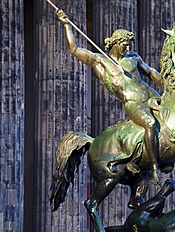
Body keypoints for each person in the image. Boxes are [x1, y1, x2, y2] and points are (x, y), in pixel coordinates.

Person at [56, 10, 163, 185]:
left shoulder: (134, 58)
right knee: (150, 124)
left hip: (151, 95)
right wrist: (66, 24)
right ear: (115, 43)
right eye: (124, 45)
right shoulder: (101, 61)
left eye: (129, 45)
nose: (127, 48)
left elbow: (151, 73)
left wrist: (166, 80)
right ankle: (154, 168)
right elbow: (74, 49)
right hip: (133, 102)